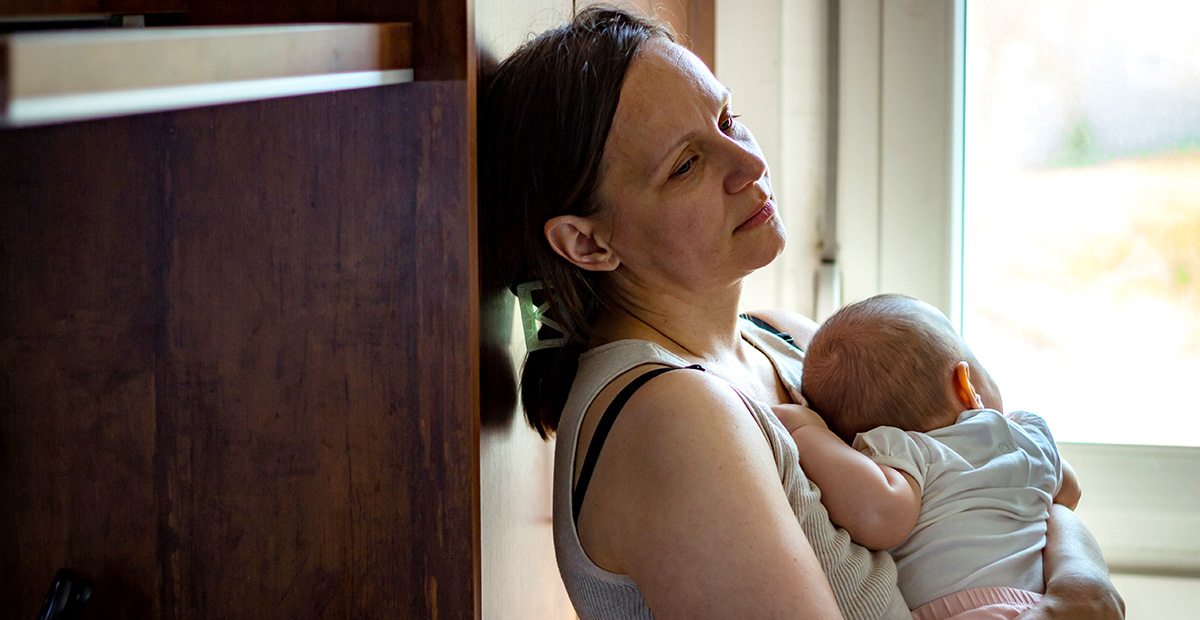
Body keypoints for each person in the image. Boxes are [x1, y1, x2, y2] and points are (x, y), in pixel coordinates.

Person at [480, 7, 1124, 619]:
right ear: (588, 242)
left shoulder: (784, 340)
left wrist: (1083, 578)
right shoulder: (670, 416)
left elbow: (1018, 484)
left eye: (728, 120)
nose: (752, 164)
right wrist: (1078, 581)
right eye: (686, 165)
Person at [774, 294, 1082, 620]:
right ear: (966, 386)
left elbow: (880, 514)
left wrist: (807, 432)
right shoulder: (1024, 436)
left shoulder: (903, 453)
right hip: (1036, 601)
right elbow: (1070, 491)